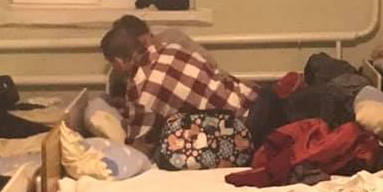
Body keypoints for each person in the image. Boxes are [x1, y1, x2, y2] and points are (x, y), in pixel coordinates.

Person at [100, 25, 262, 145]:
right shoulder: (172, 48)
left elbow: (138, 141)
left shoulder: (143, 90)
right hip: (256, 96)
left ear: (119, 61)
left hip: (246, 126)